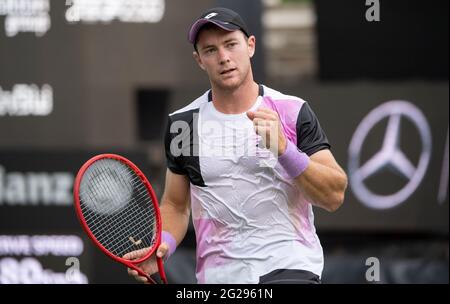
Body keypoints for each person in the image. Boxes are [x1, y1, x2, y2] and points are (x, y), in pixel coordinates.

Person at [126, 7, 348, 284]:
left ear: (250, 46)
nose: (224, 58)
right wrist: (163, 246)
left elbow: (334, 195)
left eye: (231, 44)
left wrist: (284, 149)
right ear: (199, 60)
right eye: (210, 50)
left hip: (290, 267)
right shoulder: (183, 124)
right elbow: (176, 205)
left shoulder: (292, 110)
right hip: (220, 276)